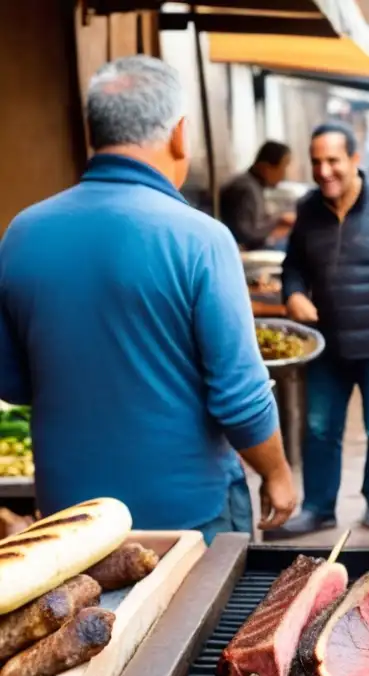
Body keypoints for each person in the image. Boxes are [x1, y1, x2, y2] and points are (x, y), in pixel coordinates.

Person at [0, 55, 296, 542]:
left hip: (67, 519)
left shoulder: (21, 234)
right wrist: (279, 475)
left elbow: (13, 384)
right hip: (187, 516)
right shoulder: (200, 239)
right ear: (179, 134)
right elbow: (240, 398)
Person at [266, 122, 369, 539]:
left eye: (333, 160)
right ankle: (318, 508)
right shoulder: (308, 208)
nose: (324, 170)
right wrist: (293, 293)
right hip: (325, 345)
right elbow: (293, 265)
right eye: (316, 162)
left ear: (354, 159)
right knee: (319, 428)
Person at [219, 140, 295, 251]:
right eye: (282, 168)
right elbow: (247, 235)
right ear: (265, 167)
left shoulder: (253, 186)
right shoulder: (246, 189)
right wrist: (278, 221)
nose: (283, 174)